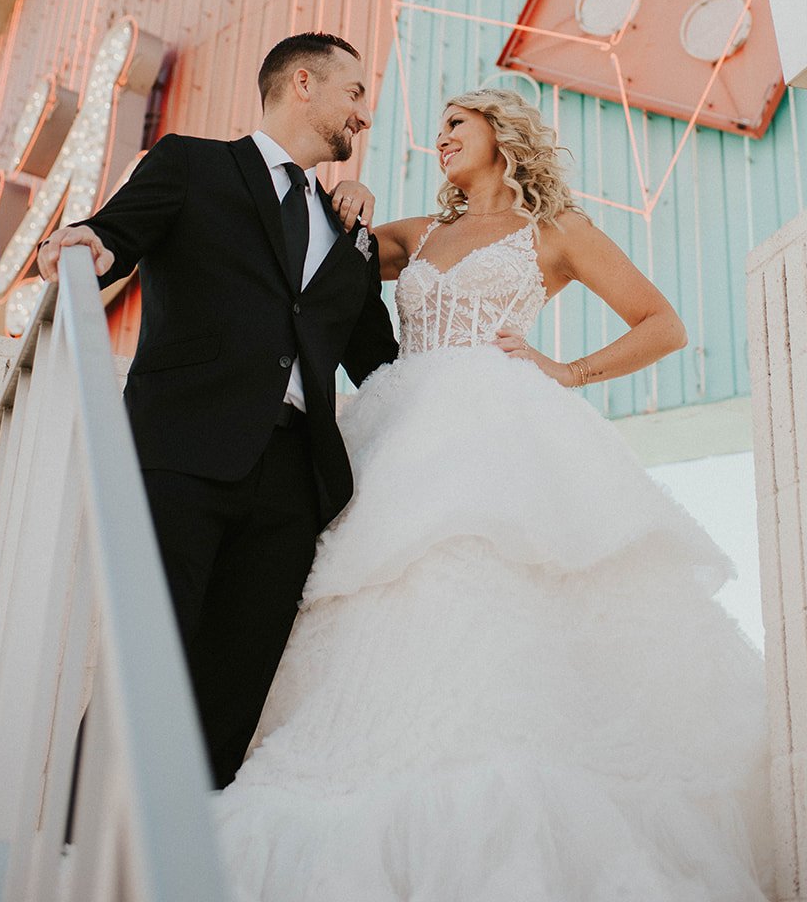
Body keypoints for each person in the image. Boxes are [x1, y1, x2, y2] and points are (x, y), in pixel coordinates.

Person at [215, 87, 771, 901]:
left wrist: (570, 370)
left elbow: (663, 324)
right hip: (398, 428)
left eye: (455, 124)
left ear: (500, 133)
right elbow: (330, 241)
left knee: (486, 579)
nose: (440, 138)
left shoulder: (557, 231)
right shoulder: (419, 233)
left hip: (498, 430)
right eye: (438, 127)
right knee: (377, 587)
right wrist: (352, 194)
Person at [37, 32, 398, 789]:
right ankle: (82, 839)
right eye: (355, 92)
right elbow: (113, 238)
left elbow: (381, 363)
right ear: (303, 82)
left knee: (232, 695)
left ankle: (194, 839)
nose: (365, 113)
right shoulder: (191, 164)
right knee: (148, 663)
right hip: (184, 454)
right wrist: (85, 245)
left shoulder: (348, 229)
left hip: (294, 484)